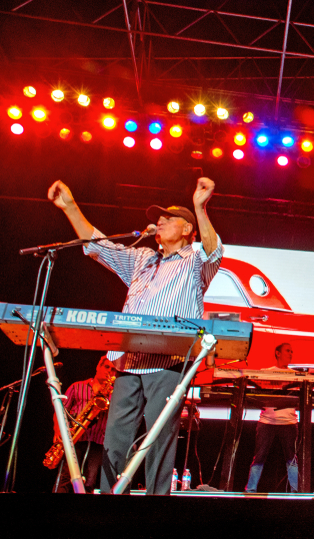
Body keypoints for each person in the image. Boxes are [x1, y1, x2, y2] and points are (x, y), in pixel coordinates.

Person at [48, 177, 222, 495]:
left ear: (187, 229)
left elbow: (214, 253)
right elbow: (99, 246)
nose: (160, 221)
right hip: (128, 363)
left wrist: (200, 207)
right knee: (115, 441)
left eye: (168, 218)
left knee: (157, 441)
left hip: (168, 362)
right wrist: (70, 208)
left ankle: (155, 508)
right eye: (159, 218)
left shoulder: (194, 261)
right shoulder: (142, 258)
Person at [52, 356, 117, 492]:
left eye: (113, 369)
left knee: (89, 483)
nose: (109, 371)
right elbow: (60, 411)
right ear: (98, 367)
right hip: (74, 440)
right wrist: (58, 431)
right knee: (65, 480)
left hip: (97, 444)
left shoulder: (115, 394)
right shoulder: (77, 386)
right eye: (106, 367)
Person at [245, 342, 300, 493]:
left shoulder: (296, 375)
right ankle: (250, 490)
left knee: (291, 458)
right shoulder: (265, 372)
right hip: (267, 421)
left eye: (292, 351)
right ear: (278, 353)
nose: (290, 354)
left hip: (289, 422)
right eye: (288, 351)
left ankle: (296, 491)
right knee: (259, 456)